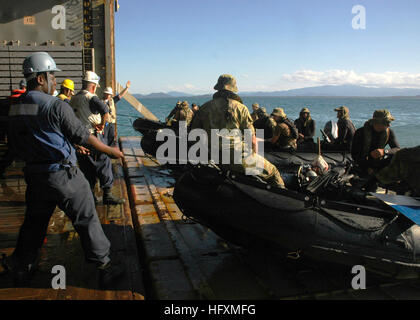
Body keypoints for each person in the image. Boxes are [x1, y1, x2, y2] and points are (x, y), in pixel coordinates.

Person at [6, 52, 125, 287]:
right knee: (86, 218)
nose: (54, 80)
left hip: (36, 176)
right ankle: (105, 268)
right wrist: (110, 151)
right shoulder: (55, 105)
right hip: (64, 176)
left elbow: (18, 142)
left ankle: (22, 267)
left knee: (34, 223)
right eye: (51, 75)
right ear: (40, 78)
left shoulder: (16, 107)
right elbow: (82, 135)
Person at [190, 74, 284, 188]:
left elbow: (194, 137)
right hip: (237, 158)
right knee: (273, 173)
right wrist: (252, 157)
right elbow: (252, 140)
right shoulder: (241, 108)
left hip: (211, 157)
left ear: (218, 88)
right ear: (233, 90)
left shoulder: (205, 108)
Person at [70, 71, 125, 205]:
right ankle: (107, 194)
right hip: (93, 136)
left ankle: (91, 196)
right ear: (94, 86)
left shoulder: (73, 99)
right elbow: (106, 111)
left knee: (86, 167)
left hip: (79, 139)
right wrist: (102, 124)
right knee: (104, 163)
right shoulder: (92, 98)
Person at [351, 109, 400, 176]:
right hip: (363, 163)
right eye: (386, 123)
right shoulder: (360, 132)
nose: (389, 125)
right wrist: (367, 167)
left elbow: (397, 149)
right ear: (376, 122)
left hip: (378, 163)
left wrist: (384, 151)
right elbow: (355, 154)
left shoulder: (389, 132)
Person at [102, 82, 130, 147]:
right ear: (104, 94)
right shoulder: (100, 101)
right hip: (104, 123)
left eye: (109, 94)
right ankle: (104, 151)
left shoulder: (112, 100)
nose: (108, 95)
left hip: (111, 123)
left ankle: (111, 151)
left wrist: (126, 88)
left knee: (111, 137)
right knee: (104, 138)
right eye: (107, 94)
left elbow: (120, 95)